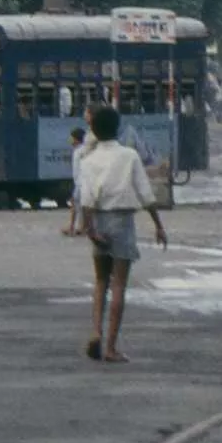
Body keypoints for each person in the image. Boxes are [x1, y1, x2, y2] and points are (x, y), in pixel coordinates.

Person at [76, 106, 169, 364]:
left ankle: (96, 331)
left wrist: (90, 230)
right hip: (122, 221)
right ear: (117, 128)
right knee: (119, 285)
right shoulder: (128, 156)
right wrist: (158, 225)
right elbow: (145, 194)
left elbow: (85, 199)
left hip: (99, 221)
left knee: (100, 282)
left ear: (93, 129)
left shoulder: (88, 160)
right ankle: (110, 348)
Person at [64, 126, 89, 236]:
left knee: (75, 205)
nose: (70, 140)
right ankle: (83, 227)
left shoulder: (80, 151)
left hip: (81, 182)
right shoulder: (82, 150)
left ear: (76, 139)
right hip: (81, 182)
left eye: (72, 138)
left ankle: (72, 227)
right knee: (82, 206)